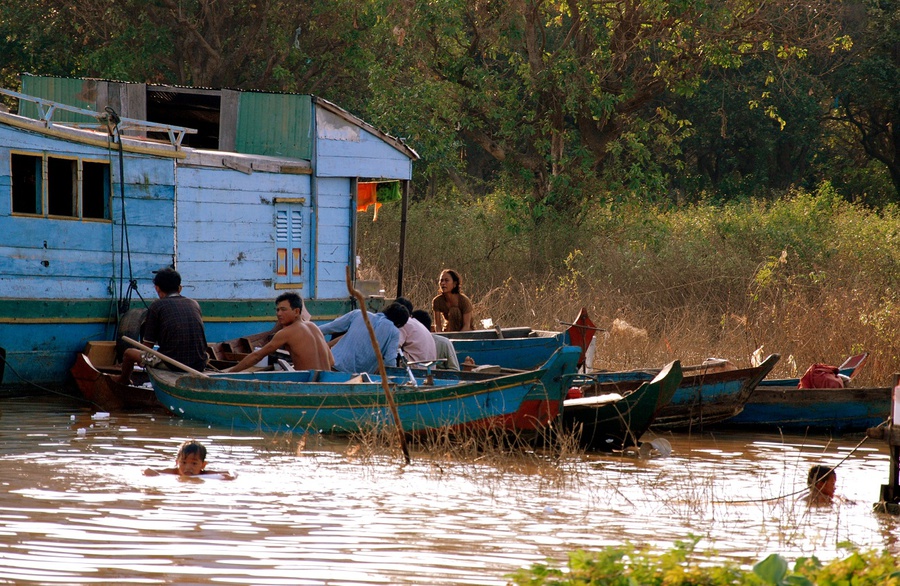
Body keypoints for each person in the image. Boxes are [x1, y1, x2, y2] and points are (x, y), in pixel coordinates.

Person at [118, 267, 208, 384]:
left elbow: (147, 346)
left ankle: (123, 381)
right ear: (179, 289)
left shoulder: (157, 306)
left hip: (171, 364)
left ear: (157, 288)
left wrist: (142, 359)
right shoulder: (193, 303)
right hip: (199, 363)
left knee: (129, 353)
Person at [225, 292, 334, 373]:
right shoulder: (314, 327)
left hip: (309, 385)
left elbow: (257, 356)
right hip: (328, 382)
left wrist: (230, 373)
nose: (279, 314)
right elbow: (331, 361)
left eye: (283, 309)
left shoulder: (287, 332)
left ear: (296, 311)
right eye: (277, 310)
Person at [319, 302, 409, 373]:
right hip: (356, 377)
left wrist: (309, 331)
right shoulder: (394, 332)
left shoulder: (359, 313)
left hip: (331, 364)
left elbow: (328, 327)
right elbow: (390, 361)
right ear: (399, 324)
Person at [144, 439, 235, 479]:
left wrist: (232, 476)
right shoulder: (174, 472)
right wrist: (154, 474)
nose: (188, 467)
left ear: (203, 465)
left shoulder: (204, 473)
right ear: (177, 462)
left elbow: (231, 472)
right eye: (183, 462)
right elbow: (146, 470)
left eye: (194, 463)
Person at [395, 297, 437, 363]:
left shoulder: (402, 323)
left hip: (413, 367)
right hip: (428, 368)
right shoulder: (416, 323)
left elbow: (393, 346)